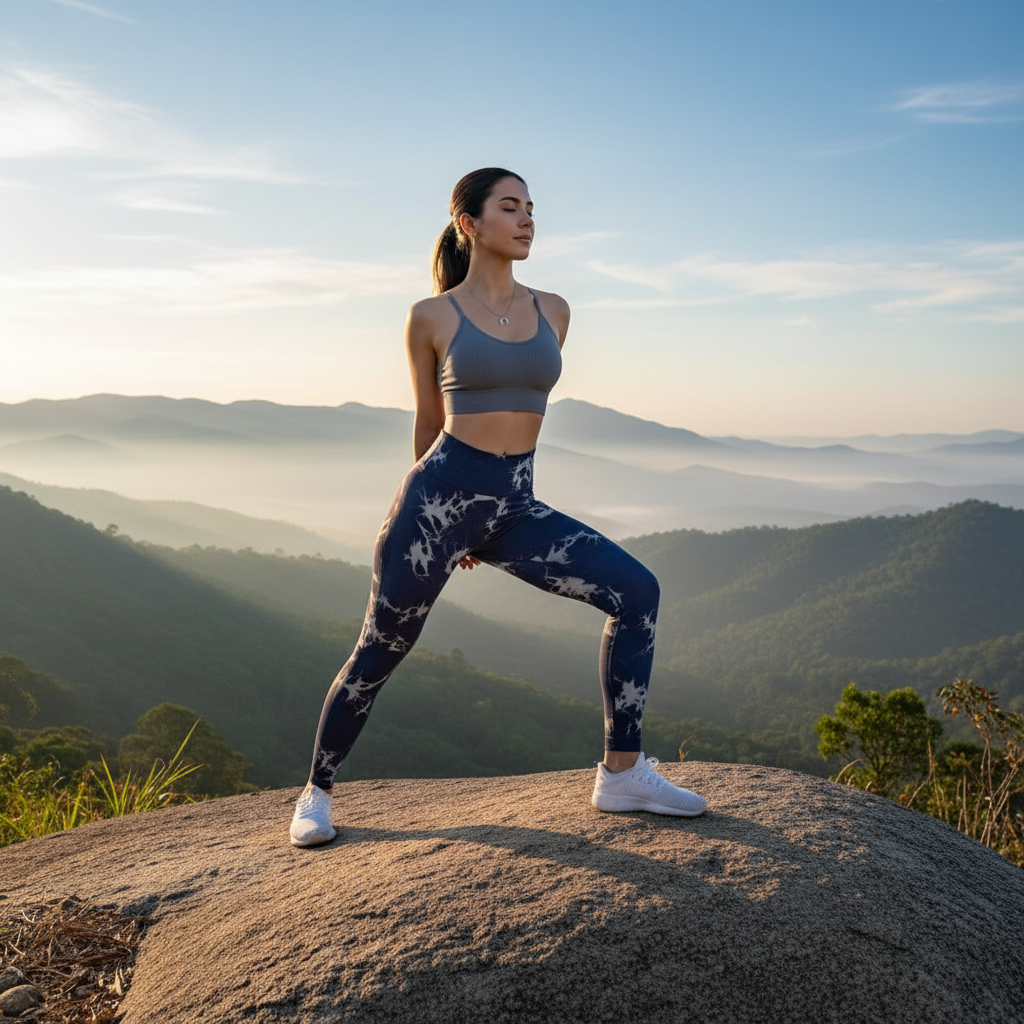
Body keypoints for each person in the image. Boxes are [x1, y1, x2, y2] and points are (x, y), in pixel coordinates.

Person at [290, 167, 706, 846]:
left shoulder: (555, 310)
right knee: (379, 651)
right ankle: (317, 793)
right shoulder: (431, 316)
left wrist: (485, 527)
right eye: (510, 207)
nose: (527, 219)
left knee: (638, 592)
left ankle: (622, 774)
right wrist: (441, 531)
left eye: (532, 209)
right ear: (469, 224)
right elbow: (428, 425)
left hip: (515, 506)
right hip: (435, 507)